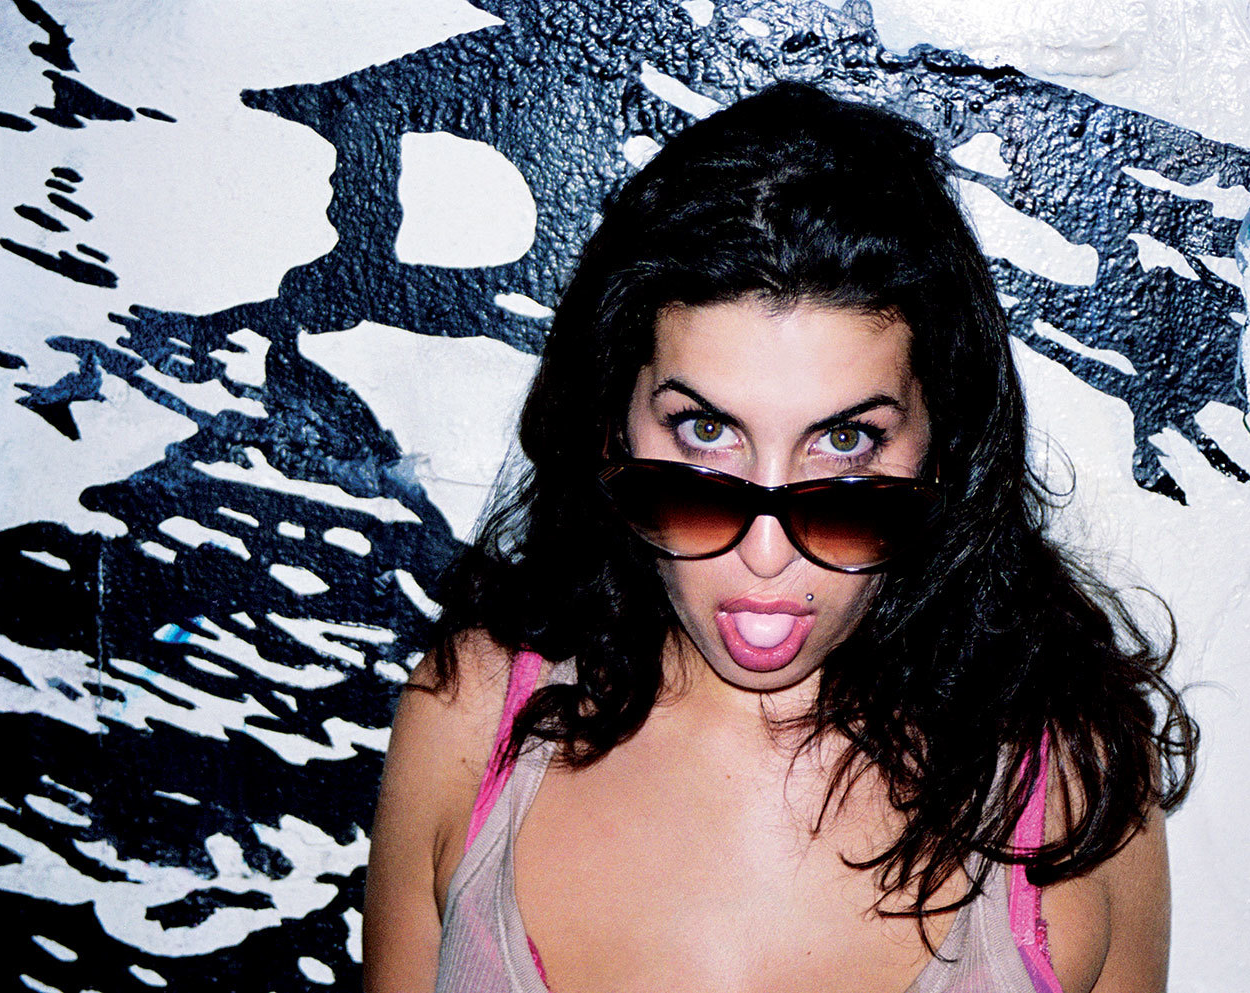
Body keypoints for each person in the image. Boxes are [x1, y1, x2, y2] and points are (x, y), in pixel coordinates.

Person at [363, 81, 1196, 993]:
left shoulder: (1070, 784)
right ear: (611, 424)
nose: (765, 555)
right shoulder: (467, 717)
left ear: (944, 445)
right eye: (704, 432)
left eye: (845, 442)